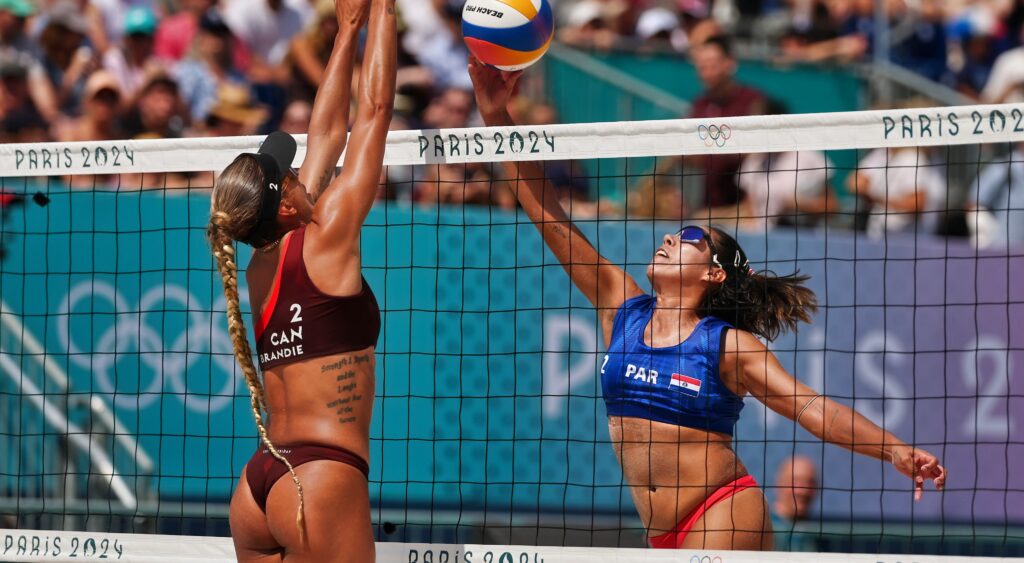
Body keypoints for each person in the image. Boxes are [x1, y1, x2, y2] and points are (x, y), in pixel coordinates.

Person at [468, 57, 946, 550]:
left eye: (690, 236)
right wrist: (494, 114)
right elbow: (550, 217)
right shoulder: (623, 308)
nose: (671, 237)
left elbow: (814, 410)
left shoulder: (728, 346)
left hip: (721, 508)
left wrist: (893, 449)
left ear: (713, 273)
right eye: (676, 232)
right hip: (660, 532)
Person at [206, 0, 394, 559]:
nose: (297, 171)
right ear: (286, 203)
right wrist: (382, 14)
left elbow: (326, 130)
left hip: (262, 483)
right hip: (319, 479)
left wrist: (348, 30)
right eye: (288, 175)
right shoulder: (327, 232)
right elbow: (377, 109)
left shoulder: (266, 252)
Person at [771, 455, 820, 552]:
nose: (803, 491)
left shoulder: (820, 534)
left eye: (810, 483)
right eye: (795, 482)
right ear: (779, 484)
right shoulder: (764, 528)